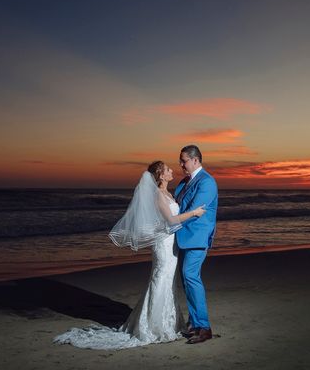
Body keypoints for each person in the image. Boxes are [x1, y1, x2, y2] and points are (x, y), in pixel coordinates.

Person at [53, 160, 205, 350]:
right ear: (160, 175)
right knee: (160, 278)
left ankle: (168, 322)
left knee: (168, 280)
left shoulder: (168, 193)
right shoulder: (158, 195)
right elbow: (171, 220)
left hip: (171, 242)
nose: (171, 171)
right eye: (167, 169)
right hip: (163, 244)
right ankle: (153, 326)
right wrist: (194, 213)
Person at [174, 144, 218, 344]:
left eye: (184, 160)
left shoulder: (207, 182)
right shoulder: (184, 182)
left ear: (195, 160)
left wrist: (169, 226)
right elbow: (176, 206)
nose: (181, 164)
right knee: (186, 279)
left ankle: (204, 327)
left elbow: (193, 211)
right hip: (183, 237)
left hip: (197, 238)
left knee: (190, 276)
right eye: (181, 161)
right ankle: (194, 324)